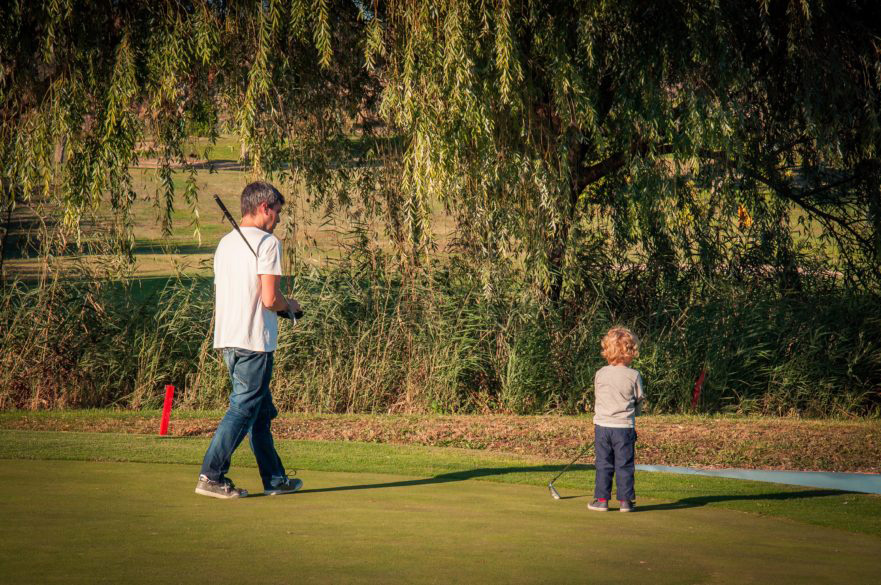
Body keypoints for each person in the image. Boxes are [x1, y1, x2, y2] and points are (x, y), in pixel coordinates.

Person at [195, 181, 303, 499]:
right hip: (254, 340)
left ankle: (274, 478)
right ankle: (211, 475)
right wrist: (291, 306)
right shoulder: (268, 244)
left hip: (228, 338)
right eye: (278, 212)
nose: (279, 219)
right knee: (243, 409)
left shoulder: (226, 244)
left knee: (260, 412)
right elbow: (269, 298)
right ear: (264, 207)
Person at [588, 327, 645, 512]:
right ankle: (625, 502)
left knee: (603, 464)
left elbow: (599, 396)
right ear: (630, 351)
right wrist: (636, 413)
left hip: (602, 427)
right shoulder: (633, 375)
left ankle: (602, 500)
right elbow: (639, 400)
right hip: (624, 428)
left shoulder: (601, 373)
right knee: (624, 464)